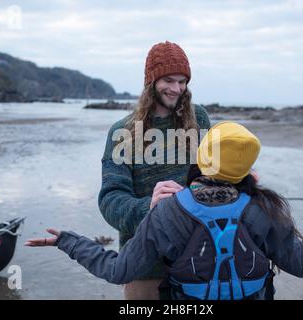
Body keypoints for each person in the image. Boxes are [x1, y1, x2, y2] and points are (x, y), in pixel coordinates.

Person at [26, 121, 303, 300]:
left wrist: (69, 241)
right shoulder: (265, 207)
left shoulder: (165, 212)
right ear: (248, 171)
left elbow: (118, 270)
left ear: (202, 158)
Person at [96, 41, 211, 299]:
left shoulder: (199, 119)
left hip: (196, 257)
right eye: (168, 80)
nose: (176, 89)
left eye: (182, 81)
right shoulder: (122, 132)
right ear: (151, 82)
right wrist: (149, 206)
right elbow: (110, 200)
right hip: (145, 264)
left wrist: (236, 183)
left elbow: (211, 175)